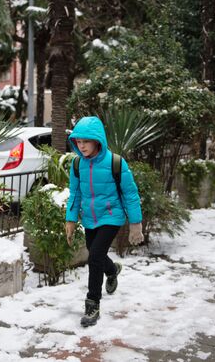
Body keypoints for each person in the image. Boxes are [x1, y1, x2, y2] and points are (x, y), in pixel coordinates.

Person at [65, 116, 144, 327]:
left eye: (86, 142)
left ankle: (92, 305)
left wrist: (136, 224)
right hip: (90, 218)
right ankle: (112, 270)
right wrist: (70, 220)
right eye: (78, 142)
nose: (81, 146)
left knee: (95, 256)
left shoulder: (115, 162)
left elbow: (130, 193)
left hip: (111, 216)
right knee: (95, 252)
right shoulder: (76, 163)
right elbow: (75, 193)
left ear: (97, 140)